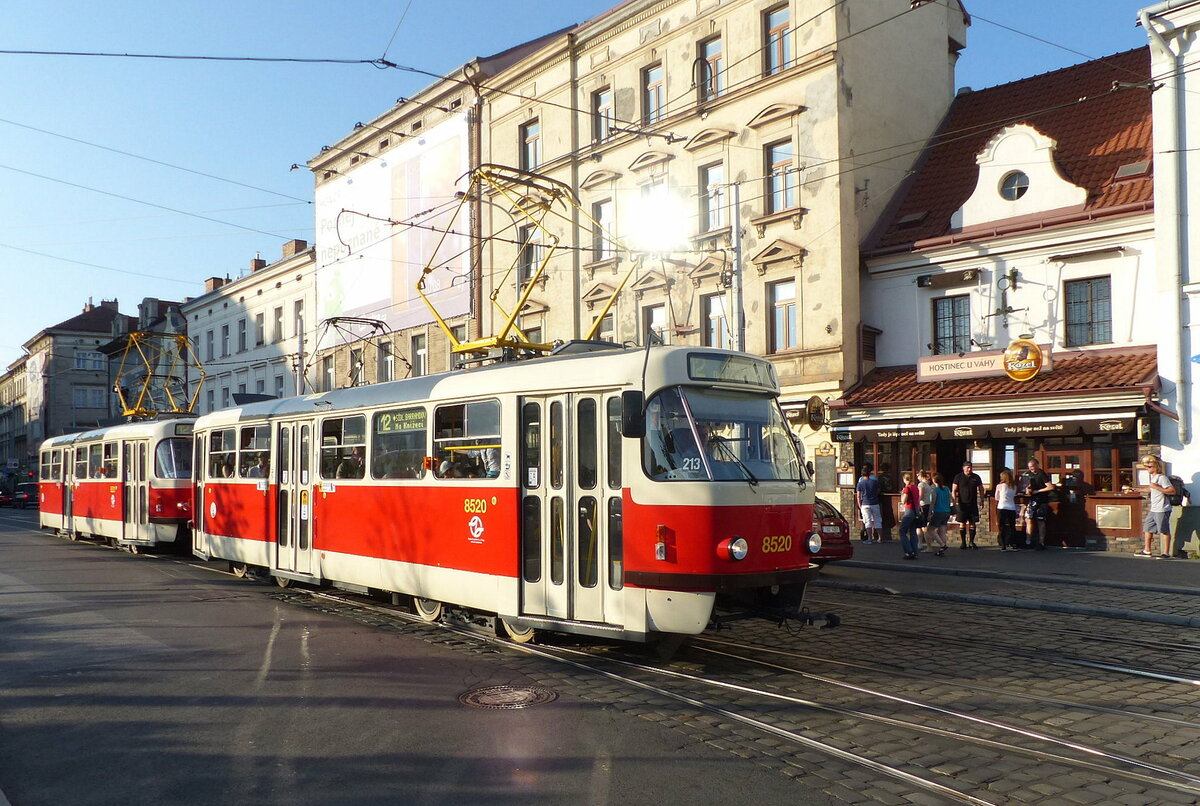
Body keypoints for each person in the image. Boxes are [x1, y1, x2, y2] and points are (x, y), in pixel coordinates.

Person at [1139, 455, 1175, 558]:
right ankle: (1147, 550)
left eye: (1149, 467)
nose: (1147, 469)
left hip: (1162, 508)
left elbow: (1172, 491)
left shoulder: (1162, 477)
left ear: (1156, 466)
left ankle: (1166, 553)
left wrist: (1157, 487)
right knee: (1148, 528)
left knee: (1164, 530)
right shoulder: (1154, 478)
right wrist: (1138, 490)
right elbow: (1152, 489)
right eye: (1146, 467)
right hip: (1154, 508)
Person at [1021, 458, 1054, 551]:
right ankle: (1028, 542)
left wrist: (1038, 491)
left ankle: (1041, 543)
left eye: (1032, 467)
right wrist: (1028, 489)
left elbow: (1050, 487)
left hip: (1042, 501)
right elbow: (1027, 485)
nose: (1031, 469)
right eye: (1029, 467)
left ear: (1037, 465)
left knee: (1040, 521)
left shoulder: (1042, 474)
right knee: (1028, 519)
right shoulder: (1029, 475)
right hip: (1032, 500)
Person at [952, 460, 985, 550]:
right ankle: (963, 543)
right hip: (962, 504)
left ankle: (971, 542)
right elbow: (954, 490)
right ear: (963, 468)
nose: (969, 469)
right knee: (962, 523)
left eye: (970, 467)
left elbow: (981, 489)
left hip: (973, 503)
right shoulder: (958, 477)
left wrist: (982, 500)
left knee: (972, 523)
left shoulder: (976, 477)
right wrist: (955, 502)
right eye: (967, 467)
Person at [856, 463, 882, 544]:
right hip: (875, 502)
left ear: (862, 474)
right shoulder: (874, 481)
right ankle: (880, 538)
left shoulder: (860, 483)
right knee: (877, 520)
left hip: (865, 503)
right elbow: (878, 491)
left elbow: (858, 495)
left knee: (867, 521)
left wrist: (860, 505)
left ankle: (870, 538)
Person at [898, 472, 921, 560]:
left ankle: (908, 551)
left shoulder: (907, 489)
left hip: (909, 511)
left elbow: (903, 501)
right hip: (916, 511)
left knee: (902, 532)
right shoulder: (915, 487)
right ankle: (915, 551)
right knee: (913, 532)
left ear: (904, 479)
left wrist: (902, 493)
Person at [928, 472, 952, 556]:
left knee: (930, 529)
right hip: (947, 511)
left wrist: (929, 513)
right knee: (942, 530)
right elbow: (950, 499)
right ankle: (942, 549)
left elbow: (932, 503)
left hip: (938, 511)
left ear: (934, 480)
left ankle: (942, 545)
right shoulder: (946, 489)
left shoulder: (934, 490)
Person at [995, 469, 1018, 551]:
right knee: (1012, 526)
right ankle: (1014, 544)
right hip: (1012, 507)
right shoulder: (1014, 486)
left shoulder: (1000, 486)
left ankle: (1003, 545)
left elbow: (996, 497)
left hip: (1002, 507)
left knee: (1001, 527)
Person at [917, 470, 934, 552]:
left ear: (921, 476)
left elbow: (921, 496)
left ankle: (927, 545)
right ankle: (920, 543)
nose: (917, 477)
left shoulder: (922, 484)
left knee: (923, 526)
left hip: (922, 505)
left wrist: (916, 503)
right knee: (921, 525)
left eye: (918, 476)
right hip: (927, 505)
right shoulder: (928, 485)